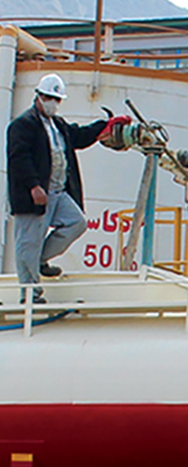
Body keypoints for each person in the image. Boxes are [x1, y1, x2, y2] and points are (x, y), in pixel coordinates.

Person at [6, 73, 121, 303]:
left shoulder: (57, 125)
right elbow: (19, 158)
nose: (53, 103)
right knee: (27, 244)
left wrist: (103, 126)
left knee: (76, 223)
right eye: (49, 98)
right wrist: (34, 186)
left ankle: (41, 259)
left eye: (57, 99)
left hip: (57, 193)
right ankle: (29, 296)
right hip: (34, 196)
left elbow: (77, 136)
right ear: (39, 96)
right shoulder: (23, 125)